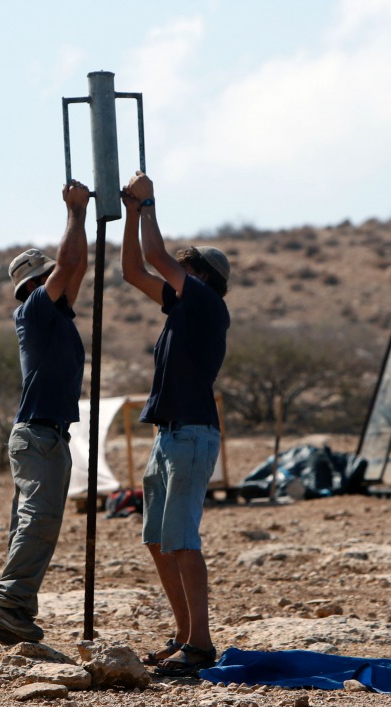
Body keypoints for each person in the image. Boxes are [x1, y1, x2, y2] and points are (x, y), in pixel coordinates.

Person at [120, 171, 231, 677]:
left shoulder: (207, 305)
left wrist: (149, 205)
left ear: (204, 278)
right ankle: (184, 636)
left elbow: (157, 258)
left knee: (182, 540)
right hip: (169, 434)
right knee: (158, 540)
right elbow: (132, 270)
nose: (174, 274)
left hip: (190, 434)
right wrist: (130, 213)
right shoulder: (182, 311)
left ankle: (201, 645)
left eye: (187, 269)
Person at [0, 180, 91, 646]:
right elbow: (69, 265)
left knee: (34, 523)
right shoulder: (34, 310)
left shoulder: (57, 315)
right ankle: (9, 606)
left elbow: (77, 265)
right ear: (35, 284)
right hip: (39, 435)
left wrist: (83, 222)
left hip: (50, 436)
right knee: (38, 522)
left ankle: (17, 610)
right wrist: (75, 214)